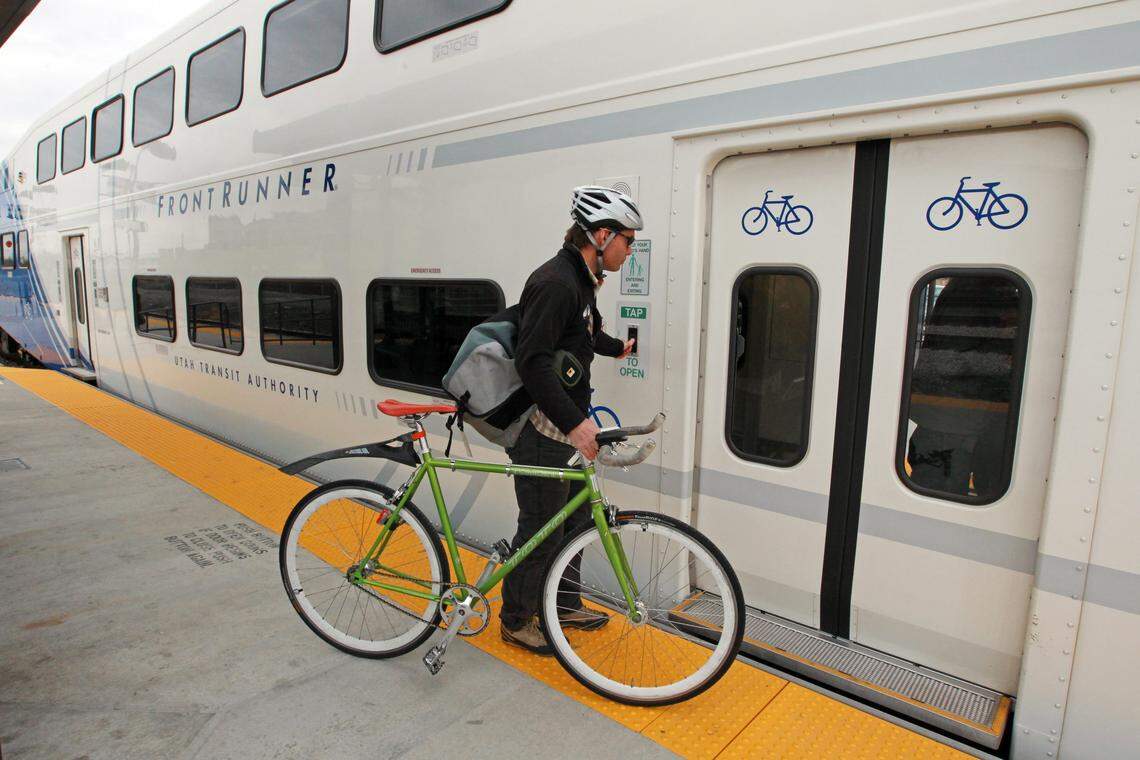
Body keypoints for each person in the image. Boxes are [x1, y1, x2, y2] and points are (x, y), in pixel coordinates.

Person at [499, 186, 642, 654]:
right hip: (542, 430)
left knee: (578, 518)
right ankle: (517, 619)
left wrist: (616, 347)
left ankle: (561, 604)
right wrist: (577, 426)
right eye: (628, 239)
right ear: (602, 235)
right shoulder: (556, 282)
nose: (630, 248)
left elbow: (585, 331)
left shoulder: (581, 280)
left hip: (565, 424)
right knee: (541, 527)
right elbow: (532, 361)